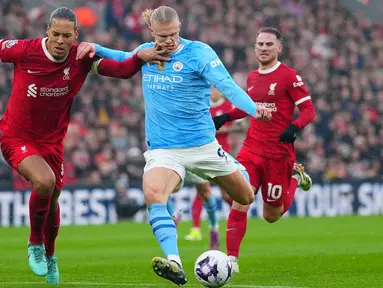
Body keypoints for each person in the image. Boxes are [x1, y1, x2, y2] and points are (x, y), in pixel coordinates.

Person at [76, 6, 271, 286]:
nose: (169, 41)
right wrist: (94, 46)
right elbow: (122, 58)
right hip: (165, 150)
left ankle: (232, 166)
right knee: (153, 193)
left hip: (203, 147)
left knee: (246, 196)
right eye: (163, 36)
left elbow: (227, 86)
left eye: (173, 34)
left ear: (180, 27)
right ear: (152, 32)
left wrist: (254, 109)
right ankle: (175, 263)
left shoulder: (199, 53)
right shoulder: (147, 52)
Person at [0, 7, 169, 284]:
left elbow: (122, 70)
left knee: (53, 199)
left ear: (75, 35)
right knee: (44, 182)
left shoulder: (81, 57)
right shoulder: (24, 50)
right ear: (47, 31)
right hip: (16, 136)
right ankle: (34, 244)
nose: (60, 40)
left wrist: (140, 57)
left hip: (53, 144)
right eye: (55, 34)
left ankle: (51, 255)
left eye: (67, 35)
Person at [213, 27, 316, 273]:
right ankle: (231, 260)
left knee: (272, 215)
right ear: (254, 47)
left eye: (269, 44)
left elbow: (309, 110)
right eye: (260, 44)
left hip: (278, 155)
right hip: (251, 150)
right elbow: (247, 107)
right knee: (240, 201)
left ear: (279, 48)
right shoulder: (251, 77)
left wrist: (294, 127)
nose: (263, 48)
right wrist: (225, 116)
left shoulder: (289, 76)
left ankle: (294, 178)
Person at [185, 87, 241, 245]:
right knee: (202, 190)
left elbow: (239, 125)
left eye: (214, 88)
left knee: (226, 194)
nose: (212, 90)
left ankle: (239, 215)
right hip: (204, 153)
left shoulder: (229, 107)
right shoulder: (204, 105)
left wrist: (221, 129)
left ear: (221, 91)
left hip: (222, 154)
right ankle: (196, 228)